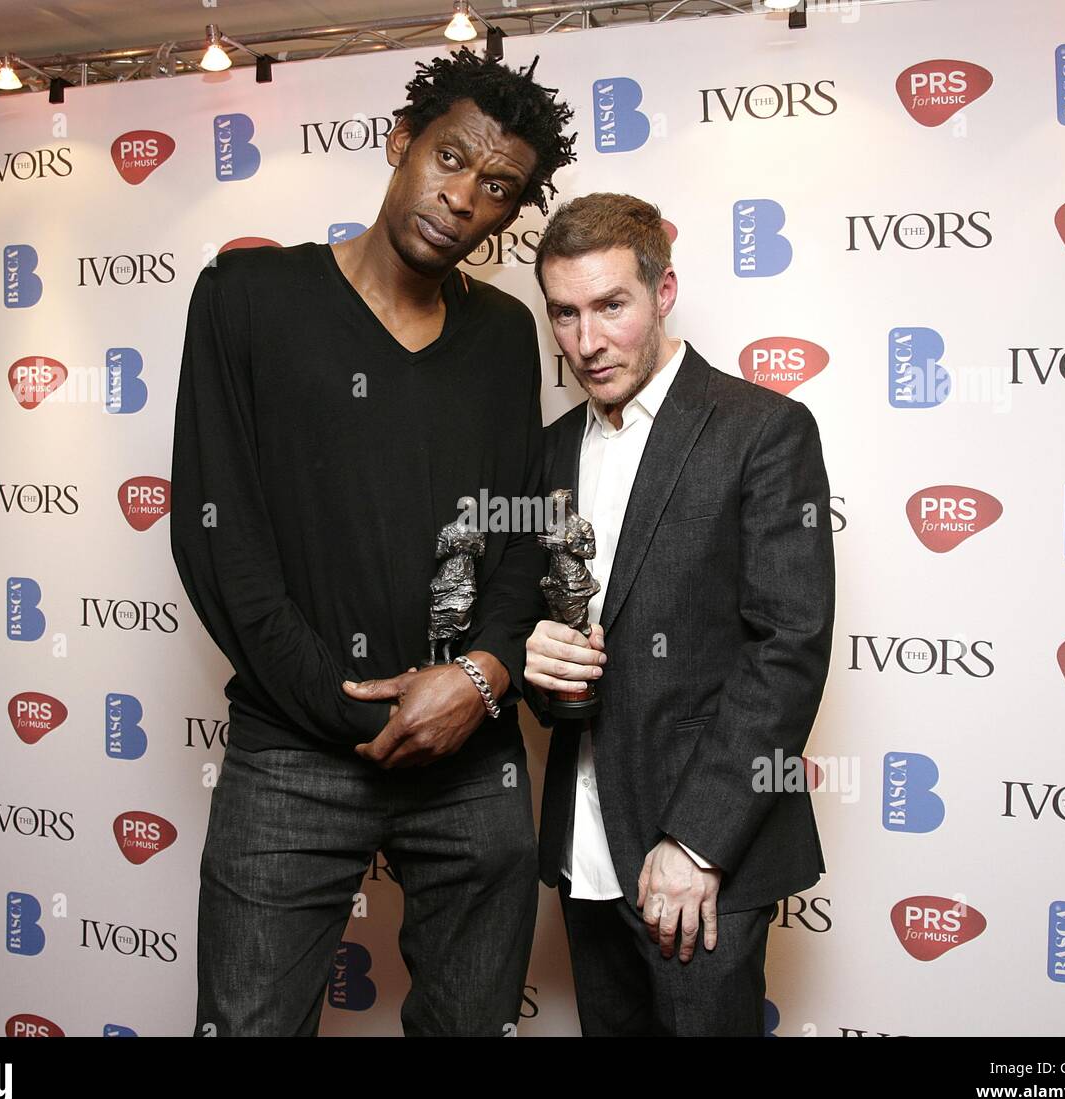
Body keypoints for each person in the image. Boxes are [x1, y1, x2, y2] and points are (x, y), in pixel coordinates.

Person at [170, 48, 576, 1036]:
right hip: (294, 753)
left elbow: (522, 535)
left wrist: (478, 680)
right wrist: (362, 718)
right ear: (400, 142)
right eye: (449, 157)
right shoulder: (249, 299)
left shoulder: (503, 335)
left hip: (471, 752)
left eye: (496, 187)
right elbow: (219, 538)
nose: (463, 197)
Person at [523, 192, 835, 1036]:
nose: (587, 342)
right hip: (584, 846)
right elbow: (548, 624)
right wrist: (536, 659)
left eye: (611, 306)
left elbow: (789, 646)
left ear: (662, 293)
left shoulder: (761, 429)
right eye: (565, 313)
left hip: (702, 859)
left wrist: (698, 844)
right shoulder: (548, 451)